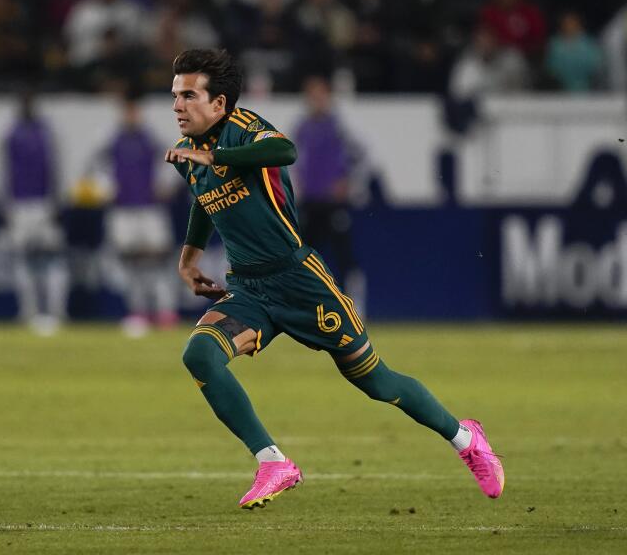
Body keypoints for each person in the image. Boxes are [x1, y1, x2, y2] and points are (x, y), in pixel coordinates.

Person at [165, 48, 504, 510]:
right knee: (200, 353)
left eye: (188, 95)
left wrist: (216, 157)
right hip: (249, 289)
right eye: (175, 96)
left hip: (301, 283)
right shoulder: (190, 154)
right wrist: (188, 261)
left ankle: (466, 438)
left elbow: (286, 150)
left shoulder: (242, 128)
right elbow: (205, 201)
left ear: (220, 103)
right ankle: (273, 462)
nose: (177, 105)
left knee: (377, 383)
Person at [101, 93, 179, 336]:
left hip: (150, 209)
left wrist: (166, 185)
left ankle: (166, 311)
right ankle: (139, 311)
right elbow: (98, 168)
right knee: (132, 263)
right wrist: (106, 188)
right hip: (123, 209)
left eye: (134, 112)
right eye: (127, 112)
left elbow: (175, 163)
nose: (131, 116)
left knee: (157, 261)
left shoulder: (151, 140)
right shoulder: (112, 141)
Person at [293, 75, 366, 315]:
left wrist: (348, 181)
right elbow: (293, 162)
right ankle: (308, 309)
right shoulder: (301, 128)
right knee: (306, 259)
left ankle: (355, 308)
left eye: (320, 95)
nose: (316, 101)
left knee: (344, 256)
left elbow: (361, 155)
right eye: (312, 96)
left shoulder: (339, 127)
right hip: (310, 202)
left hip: (333, 202)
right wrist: (297, 185)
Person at [3, 91, 68, 332]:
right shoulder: (8, 132)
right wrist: (4, 203)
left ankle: (57, 310)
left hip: (44, 203)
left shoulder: (48, 131)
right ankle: (27, 310)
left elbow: (58, 165)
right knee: (22, 258)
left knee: (53, 257)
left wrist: (58, 202)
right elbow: (1, 169)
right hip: (19, 204)